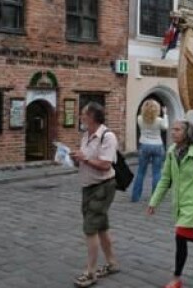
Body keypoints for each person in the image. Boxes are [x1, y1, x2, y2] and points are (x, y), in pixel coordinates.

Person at [147, 120, 193, 288]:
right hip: (179, 203)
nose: (173, 132)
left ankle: (176, 278)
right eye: (172, 129)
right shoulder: (172, 151)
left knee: (180, 235)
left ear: (187, 132)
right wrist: (154, 201)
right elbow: (166, 179)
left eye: (177, 130)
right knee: (188, 233)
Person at [70, 103, 120, 288]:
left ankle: (90, 272)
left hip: (103, 187)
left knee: (90, 228)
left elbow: (106, 164)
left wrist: (85, 159)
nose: (81, 117)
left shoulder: (108, 136)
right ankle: (112, 263)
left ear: (91, 116)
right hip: (89, 187)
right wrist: (76, 159)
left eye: (83, 113)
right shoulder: (86, 136)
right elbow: (86, 161)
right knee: (101, 226)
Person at [132, 100, 168, 202]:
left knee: (140, 172)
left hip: (144, 145)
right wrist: (165, 114)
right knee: (156, 172)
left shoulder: (139, 118)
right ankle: (155, 197)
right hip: (157, 145)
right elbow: (165, 127)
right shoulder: (159, 120)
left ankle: (135, 196)